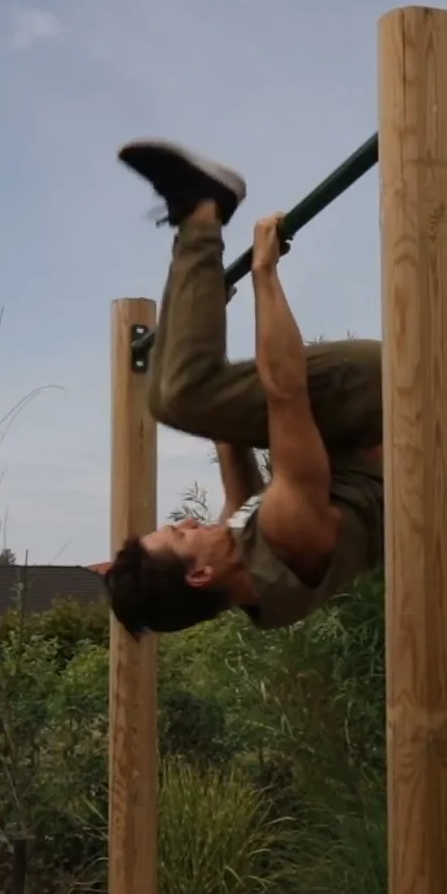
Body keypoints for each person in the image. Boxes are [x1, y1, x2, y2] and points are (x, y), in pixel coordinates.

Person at [102, 139, 385, 635]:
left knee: (178, 396)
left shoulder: (247, 566)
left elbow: (232, 458)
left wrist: (202, 316)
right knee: (179, 397)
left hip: (349, 419)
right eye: (180, 534)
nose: (188, 523)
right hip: (376, 401)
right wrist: (265, 273)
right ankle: (202, 212)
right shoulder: (289, 535)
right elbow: (286, 392)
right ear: (201, 573)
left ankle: (199, 229)